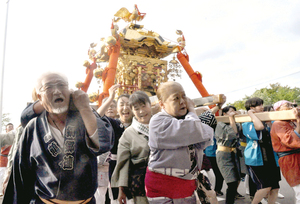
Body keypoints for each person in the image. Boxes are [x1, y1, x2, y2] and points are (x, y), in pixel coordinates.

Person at [3, 72, 114, 203]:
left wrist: (85, 108)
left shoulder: (85, 117)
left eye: (62, 85)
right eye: (48, 87)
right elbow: (22, 174)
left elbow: (104, 143)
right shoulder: (33, 127)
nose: (57, 91)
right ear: (39, 96)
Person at [145, 81, 215, 204]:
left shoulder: (186, 119)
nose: (182, 101)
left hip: (187, 185)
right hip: (163, 186)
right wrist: (192, 110)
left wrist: (194, 118)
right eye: (176, 98)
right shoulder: (157, 121)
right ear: (162, 104)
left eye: (184, 96)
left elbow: (204, 139)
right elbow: (195, 132)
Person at [111, 91, 152, 204]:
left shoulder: (162, 125)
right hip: (141, 186)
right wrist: (121, 190)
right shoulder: (128, 134)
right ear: (133, 111)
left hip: (165, 182)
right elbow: (123, 163)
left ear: (150, 105)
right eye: (137, 108)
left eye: (144, 106)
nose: (141, 111)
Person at [97, 84, 134, 204]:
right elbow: (96, 116)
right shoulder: (114, 123)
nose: (125, 107)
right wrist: (110, 97)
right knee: (116, 200)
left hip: (135, 169)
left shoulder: (138, 124)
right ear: (117, 109)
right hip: (115, 168)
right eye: (121, 104)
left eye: (128, 104)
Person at [242, 97, 281, 204]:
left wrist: (269, 123)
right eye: (259, 105)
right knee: (265, 187)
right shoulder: (247, 123)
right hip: (256, 159)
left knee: (275, 188)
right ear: (251, 108)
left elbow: (277, 133)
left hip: (271, 158)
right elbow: (258, 127)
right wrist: (251, 115)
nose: (262, 107)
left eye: (262, 104)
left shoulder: (268, 120)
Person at [270, 100, 300, 204]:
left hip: (297, 156)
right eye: (287, 105)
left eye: (291, 105)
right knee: (299, 189)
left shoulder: (290, 121)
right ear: (278, 109)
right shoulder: (278, 124)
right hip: (289, 159)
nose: (291, 107)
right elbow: (290, 141)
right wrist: (298, 121)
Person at [215, 105, 243, 204]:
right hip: (223, 155)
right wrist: (231, 118)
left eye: (234, 111)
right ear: (224, 114)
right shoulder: (220, 124)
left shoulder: (234, 123)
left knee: (236, 180)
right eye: (231, 111)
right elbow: (233, 133)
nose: (233, 113)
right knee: (232, 182)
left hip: (233, 154)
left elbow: (240, 132)